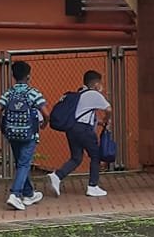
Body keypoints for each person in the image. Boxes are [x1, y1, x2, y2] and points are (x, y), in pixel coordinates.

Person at [47, 69, 112, 198]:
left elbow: (83, 114)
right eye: (101, 83)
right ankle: (93, 186)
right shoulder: (94, 94)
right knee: (95, 155)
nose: (102, 87)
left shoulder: (80, 93)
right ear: (96, 84)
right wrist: (107, 119)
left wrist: (98, 122)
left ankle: (57, 176)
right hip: (84, 130)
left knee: (76, 157)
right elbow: (108, 109)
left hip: (72, 129)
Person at [0, 61, 49, 211]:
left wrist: (0, 126)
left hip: (12, 133)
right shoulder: (33, 93)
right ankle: (15, 194)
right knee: (24, 164)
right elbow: (45, 112)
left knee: (20, 163)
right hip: (29, 133)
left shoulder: (9, 93)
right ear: (28, 76)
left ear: (13, 76)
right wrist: (45, 124)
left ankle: (29, 193)